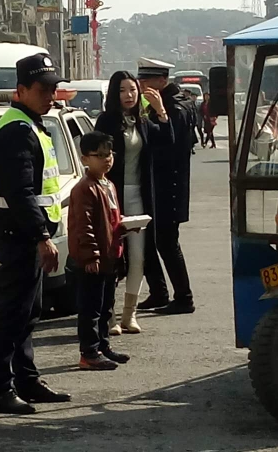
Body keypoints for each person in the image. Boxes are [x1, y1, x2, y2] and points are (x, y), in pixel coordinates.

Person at [0, 53, 71, 414]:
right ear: (21, 90)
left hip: (26, 235)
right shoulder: (16, 132)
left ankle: (27, 380)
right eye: (42, 89)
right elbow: (20, 193)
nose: (50, 96)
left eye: (53, 89)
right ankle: (1, 389)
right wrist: (41, 237)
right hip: (19, 235)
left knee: (28, 311)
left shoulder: (31, 125)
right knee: (14, 313)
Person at [94, 71, 174, 333]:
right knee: (112, 257)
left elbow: (168, 143)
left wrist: (161, 112)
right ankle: (109, 316)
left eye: (132, 90)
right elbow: (97, 156)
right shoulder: (106, 121)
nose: (128, 95)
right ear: (113, 94)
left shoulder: (143, 121)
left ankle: (130, 315)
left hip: (139, 195)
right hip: (112, 196)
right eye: (122, 90)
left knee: (139, 256)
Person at [135, 58, 196, 315]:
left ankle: (184, 296)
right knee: (151, 240)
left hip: (169, 185)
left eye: (147, 81)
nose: (142, 86)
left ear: (162, 80)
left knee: (167, 242)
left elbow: (171, 145)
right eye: (141, 81)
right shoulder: (161, 103)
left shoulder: (176, 107)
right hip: (158, 184)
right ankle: (159, 292)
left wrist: (160, 113)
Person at [69, 131, 131, 370]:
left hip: (110, 256)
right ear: (85, 159)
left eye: (109, 154)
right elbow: (83, 226)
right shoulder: (85, 188)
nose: (107, 159)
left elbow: (111, 220)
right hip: (93, 260)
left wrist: (126, 227)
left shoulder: (108, 185)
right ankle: (89, 352)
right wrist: (90, 255)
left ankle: (103, 346)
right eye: (100, 155)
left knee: (106, 306)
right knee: (91, 309)